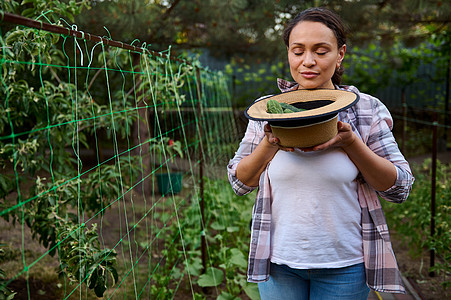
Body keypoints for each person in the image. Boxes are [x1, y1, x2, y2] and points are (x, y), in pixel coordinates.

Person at [227, 7, 414, 300]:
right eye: (298, 51)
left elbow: (400, 187)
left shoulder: (365, 109)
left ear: (340, 54)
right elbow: (240, 182)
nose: (308, 61)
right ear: (288, 53)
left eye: (321, 50)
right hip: (279, 263)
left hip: (346, 265)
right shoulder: (268, 109)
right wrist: (270, 142)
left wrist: (350, 143)